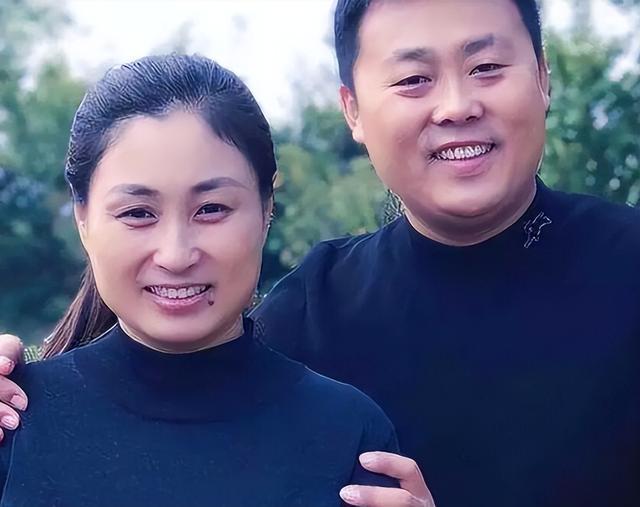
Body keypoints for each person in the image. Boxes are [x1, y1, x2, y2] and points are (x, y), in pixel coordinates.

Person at [0, 0, 639, 505]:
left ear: (543, 77)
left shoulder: (627, 263)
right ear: (352, 110)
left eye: (487, 67)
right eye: (414, 79)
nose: (456, 106)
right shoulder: (309, 311)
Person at [0, 53, 403, 507]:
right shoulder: (15, 422)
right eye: (138, 213)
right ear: (83, 220)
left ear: (267, 210)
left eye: (211, 209)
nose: (176, 255)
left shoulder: (347, 436)